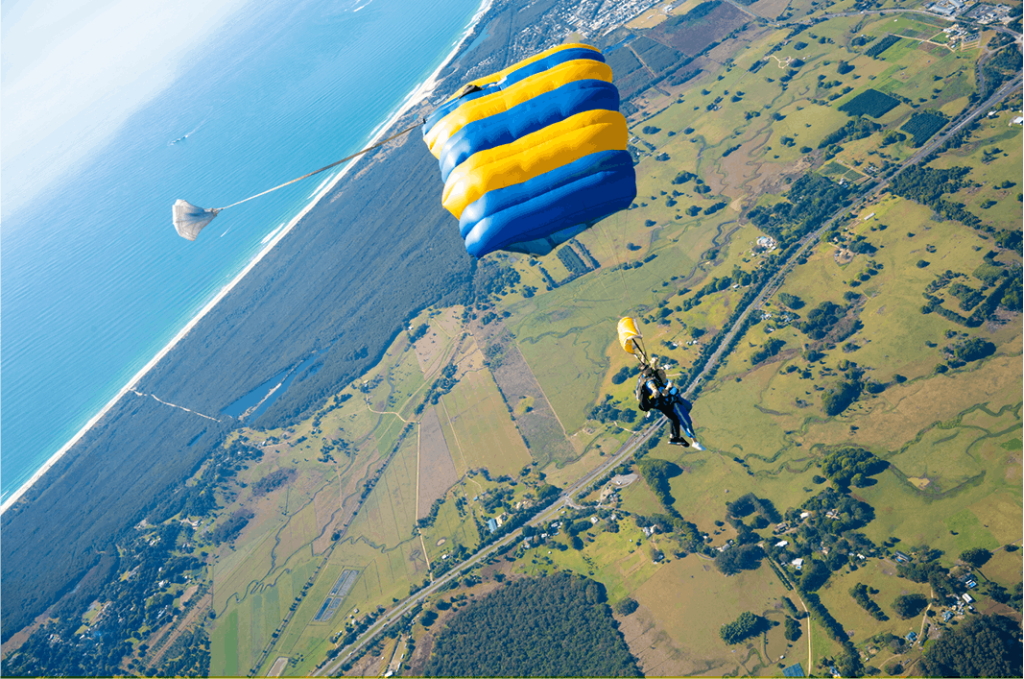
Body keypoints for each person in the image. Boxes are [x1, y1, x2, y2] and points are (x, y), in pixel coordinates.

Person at [635, 357, 696, 446]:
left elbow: (648, 367)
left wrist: (648, 360)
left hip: (659, 401)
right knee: (674, 417)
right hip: (659, 403)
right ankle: (674, 438)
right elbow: (653, 387)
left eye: (648, 367)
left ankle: (674, 438)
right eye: (646, 368)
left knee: (674, 417)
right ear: (644, 371)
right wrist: (660, 389)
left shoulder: (644, 376)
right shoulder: (649, 381)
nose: (648, 368)